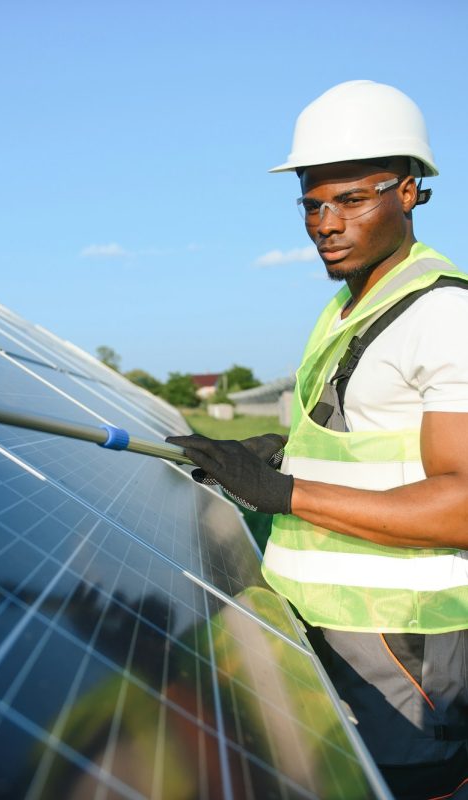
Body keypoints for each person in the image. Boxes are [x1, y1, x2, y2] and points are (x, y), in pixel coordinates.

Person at [167, 80, 468, 800]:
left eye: (354, 199)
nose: (326, 223)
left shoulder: (444, 314)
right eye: (312, 203)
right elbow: (366, 442)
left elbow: (461, 502)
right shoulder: (349, 303)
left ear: (410, 191)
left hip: (405, 648)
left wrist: (287, 492)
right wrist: (285, 452)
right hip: (331, 627)